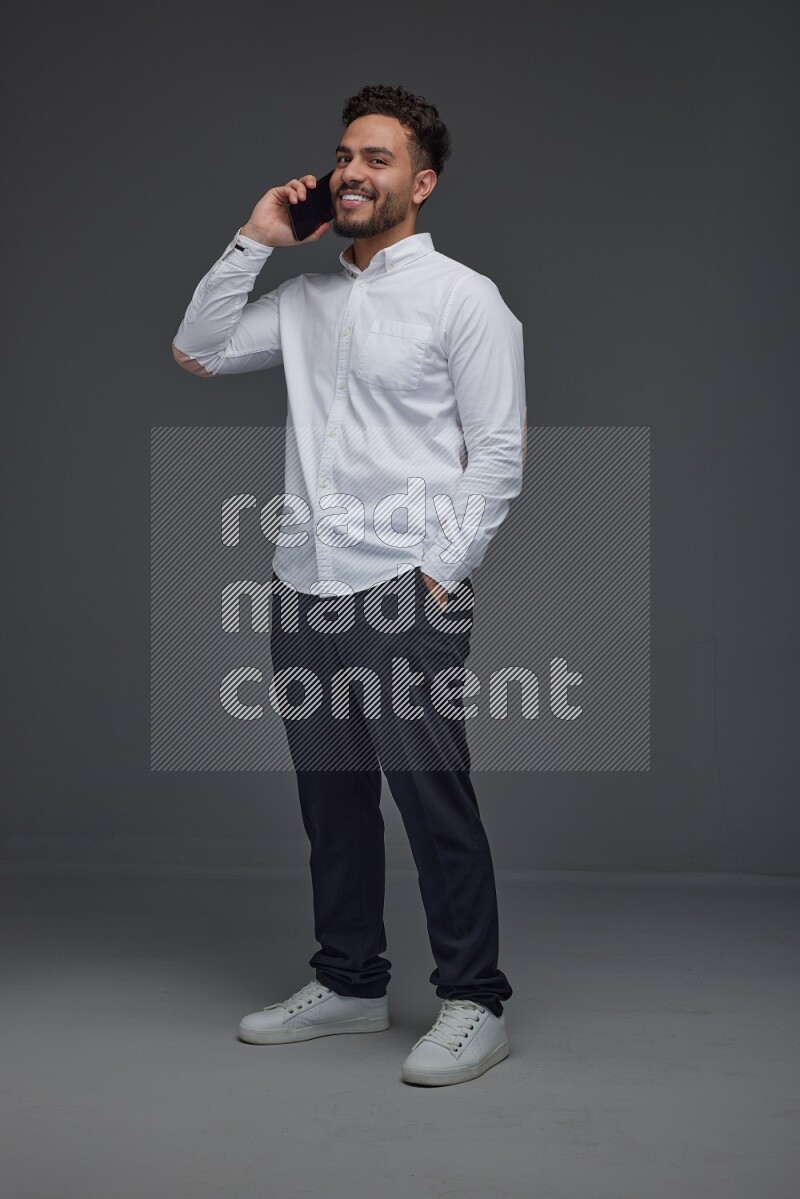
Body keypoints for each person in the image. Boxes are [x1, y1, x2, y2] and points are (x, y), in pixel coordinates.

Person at [172, 84, 527, 1087]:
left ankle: (473, 998)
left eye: (376, 158)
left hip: (404, 589)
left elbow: (497, 455)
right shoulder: (303, 298)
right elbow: (196, 348)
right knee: (331, 800)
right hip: (303, 583)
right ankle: (350, 981)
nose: (351, 172)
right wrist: (253, 238)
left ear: (421, 181)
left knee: (430, 797)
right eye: (343, 155)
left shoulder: (464, 299)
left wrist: (438, 576)